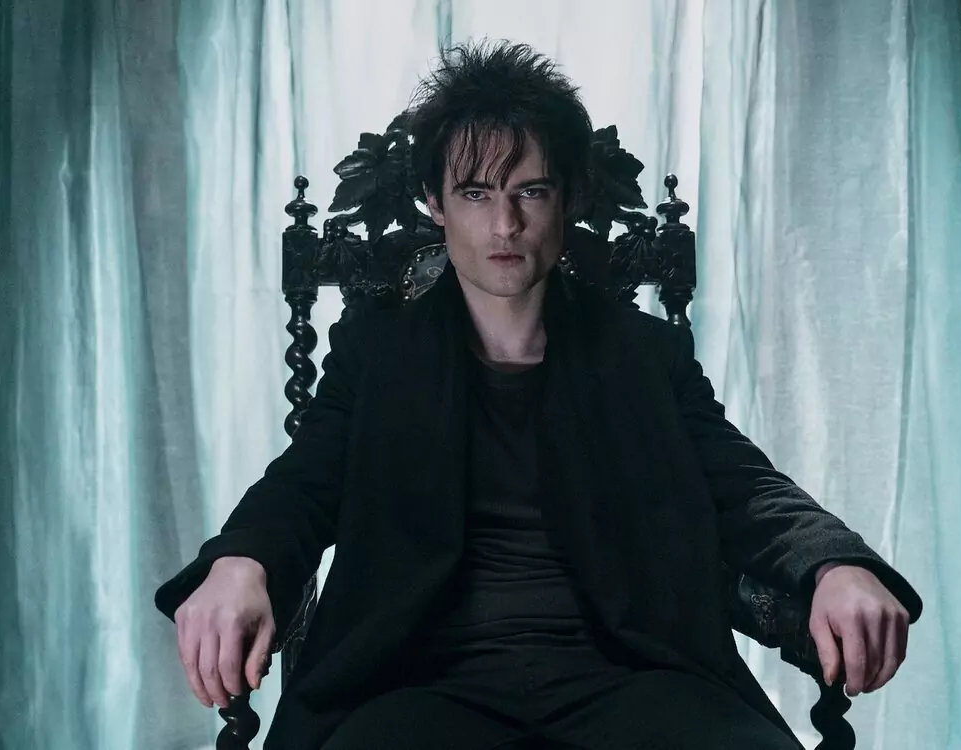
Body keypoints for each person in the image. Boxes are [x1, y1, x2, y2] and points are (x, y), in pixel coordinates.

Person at [155, 41, 922, 750]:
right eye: (476, 192)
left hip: (627, 674)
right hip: (419, 683)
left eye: (532, 191)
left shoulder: (643, 354)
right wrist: (240, 564)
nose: (506, 224)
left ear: (568, 200)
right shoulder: (377, 353)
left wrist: (835, 565)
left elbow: (746, 487)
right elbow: (301, 484)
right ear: (435, 203)